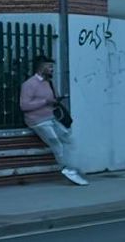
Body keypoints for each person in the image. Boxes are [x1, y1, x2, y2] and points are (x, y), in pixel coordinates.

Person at [20, 56, 87, 186]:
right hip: (37, 120)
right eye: (49, 67)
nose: (52, 69)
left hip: (51, 117)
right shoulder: (29, 84)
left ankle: (73, 167)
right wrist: (45, 102)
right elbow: (24, 106)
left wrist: (56, 100)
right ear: (41, 67)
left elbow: (53, 98)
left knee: (68, 138)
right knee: (56, 142)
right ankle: (66, 169)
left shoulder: (49, 83)